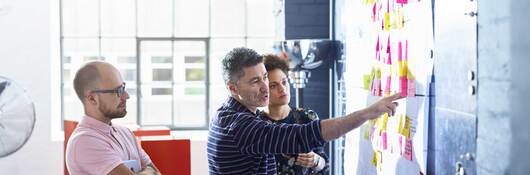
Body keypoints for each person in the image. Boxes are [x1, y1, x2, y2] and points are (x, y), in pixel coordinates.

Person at [207, 47, 403, 174]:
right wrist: (369, 112)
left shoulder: (225, 114)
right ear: (233, 88)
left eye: (265, 77)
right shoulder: (241, 125)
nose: (265, 87)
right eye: (255, 81)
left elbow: (320, 159)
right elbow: (308, 134)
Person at [66, 61, 161, 175]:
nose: (126, 96)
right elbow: (152, 171)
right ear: (92, 98)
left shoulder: (126, 133)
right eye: (117, 91)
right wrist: (148, 171)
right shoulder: (84, 141)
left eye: (123, 88)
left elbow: (157, 172)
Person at [263, 54, 328, 174]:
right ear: (262, 89)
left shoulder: (308, 117)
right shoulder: (256, 125)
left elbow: (324, 164)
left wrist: (316, 161)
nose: (282, 89)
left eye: (284, 82)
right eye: (273, 86)